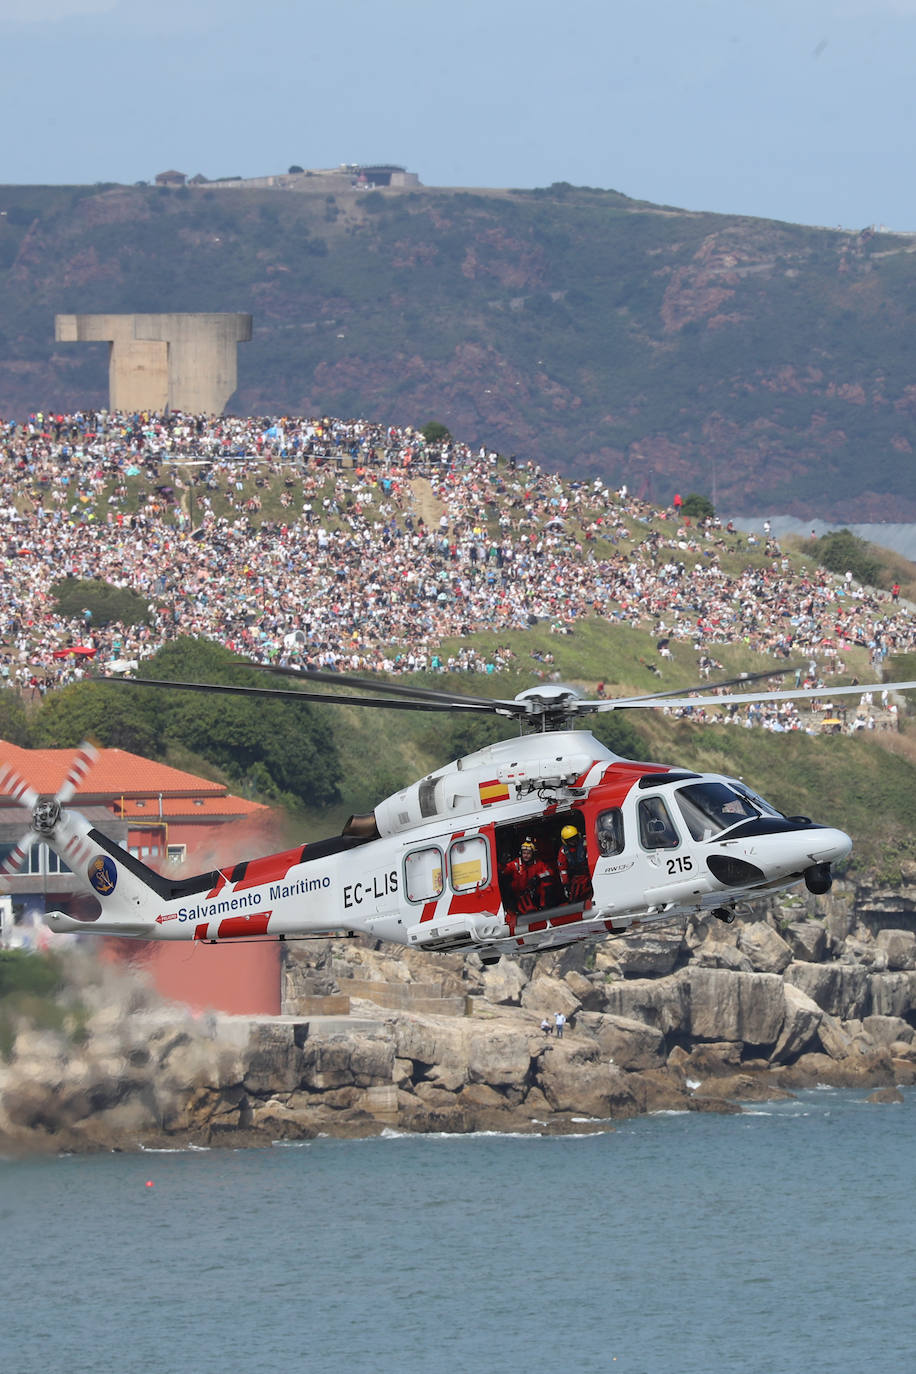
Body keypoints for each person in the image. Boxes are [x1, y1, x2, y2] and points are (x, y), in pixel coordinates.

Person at [500, 837, 556, 915]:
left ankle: (544, 906)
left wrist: (537, 877)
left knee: (546, 883)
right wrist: (502, 865)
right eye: (524, 853)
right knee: (529, 911)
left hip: (534, 893)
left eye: (528, 853)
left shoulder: (538, 864)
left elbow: (550, 872)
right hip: (519, 895)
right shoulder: (516, 864)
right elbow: (504, 870)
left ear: (533, 854)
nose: (526, 855)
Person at [557, 824, 591, 902]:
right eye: (570, 840)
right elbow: (562, 869)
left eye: (574, 838)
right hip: (577, 878)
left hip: (589, 873)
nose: (573, 841)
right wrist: (566, 884)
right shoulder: (563, 851)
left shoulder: (586, 843)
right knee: (574, 896)